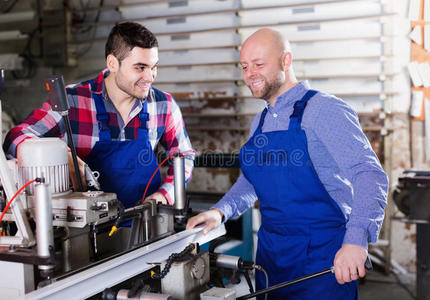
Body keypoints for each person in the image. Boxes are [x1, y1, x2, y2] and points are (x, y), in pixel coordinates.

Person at [187, 28, 388, 299]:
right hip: (271, 259)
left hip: (322, 260)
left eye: (259, 64)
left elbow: (369, 174)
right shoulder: (259, 122)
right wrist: (220, 211)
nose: (250, 74)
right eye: (245, 67)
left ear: (286, 60)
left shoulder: (324, 110)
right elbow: (252, 181)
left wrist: (356, 240)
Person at [3, 22, 195, 209]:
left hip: (147, 224)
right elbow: (14, 139)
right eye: (140, 67)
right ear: (112, 63)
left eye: (154, 67)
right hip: (88, 233)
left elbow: (184, 156)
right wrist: (61, 154)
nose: (150, 77)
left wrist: (164, 195)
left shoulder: (164, 105)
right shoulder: (72, 101)